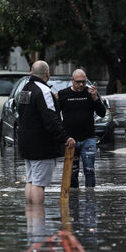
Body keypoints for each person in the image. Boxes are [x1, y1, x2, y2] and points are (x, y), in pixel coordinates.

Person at [17, 60, 75, 205]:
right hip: (41, 145)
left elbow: (22, 113)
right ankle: (38, 218)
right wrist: (65, 138)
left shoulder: (26, 89)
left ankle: (31, 218)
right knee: (39, 184)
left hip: (26, 142)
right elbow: (51, 119)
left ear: (31, 72)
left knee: (31, 181)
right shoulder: (44, 91)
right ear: (47, 73)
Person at [57, 69, 107, 188]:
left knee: (89, 170)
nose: (81, 85)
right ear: (72, 81)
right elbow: (54, 115)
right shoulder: (63, 94)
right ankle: (74, 200)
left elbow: (102, 113)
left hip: (88, 138)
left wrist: (95, 98)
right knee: (72, 173)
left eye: (83, 82)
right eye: (78, 82)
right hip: (70, 140)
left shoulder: (90, 93)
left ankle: (90, 198)